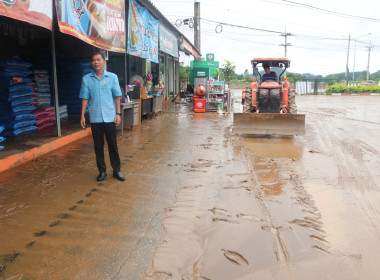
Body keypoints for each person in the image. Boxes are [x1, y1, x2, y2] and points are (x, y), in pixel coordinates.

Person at [80, 52, 125, 182]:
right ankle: (102, 171)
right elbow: (84, 98)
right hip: (95, 118)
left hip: (110, 117)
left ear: (104, 62)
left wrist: (118, 114)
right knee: (98, 146)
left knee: (113, 145)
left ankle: (117, 171)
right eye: (94, 60)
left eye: (99, 60)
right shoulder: (86, 79)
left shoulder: (112, 77)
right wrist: (82, 115)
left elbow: (117, 96)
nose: (96, 62)